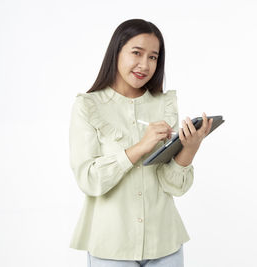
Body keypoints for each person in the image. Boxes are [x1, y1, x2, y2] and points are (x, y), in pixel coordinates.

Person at [68, 18, 213, 267]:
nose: (145, 65)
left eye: (153, 57)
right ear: (116, 52)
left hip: (165, 243)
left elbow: (174, 187)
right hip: (111, 247)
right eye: (137, 53)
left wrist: (189, 149)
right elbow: (89, 179)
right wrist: (139, 148)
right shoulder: (88, 106)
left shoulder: (163, 105)